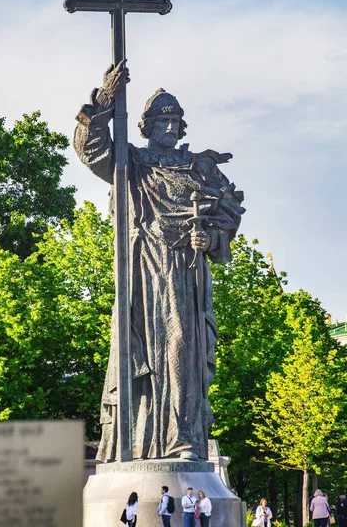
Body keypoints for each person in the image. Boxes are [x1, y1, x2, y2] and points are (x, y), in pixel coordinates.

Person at [75, 62, 244, 462]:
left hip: (184, 269)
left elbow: (229, 213)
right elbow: (90, 149)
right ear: (146, 125)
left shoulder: (201, 168)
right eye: (161, 120)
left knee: (181, 348)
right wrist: (103, 100)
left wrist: (212, 238)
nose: (169, 128)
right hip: (141, 267)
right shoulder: (129, 162)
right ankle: (133, 444)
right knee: (138, 354)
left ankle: (182, 440)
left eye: (175, 121)